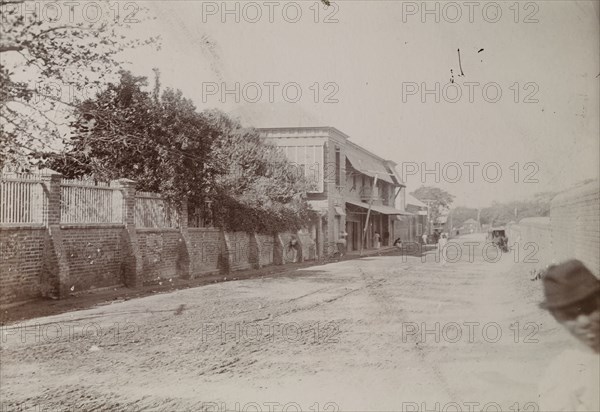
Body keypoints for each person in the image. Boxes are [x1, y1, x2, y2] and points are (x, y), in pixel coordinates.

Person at [538, 260, 600, 411]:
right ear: (557, 317)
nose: (583, 321)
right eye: (570, 315)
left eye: (589, 308)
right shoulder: (564, 375)